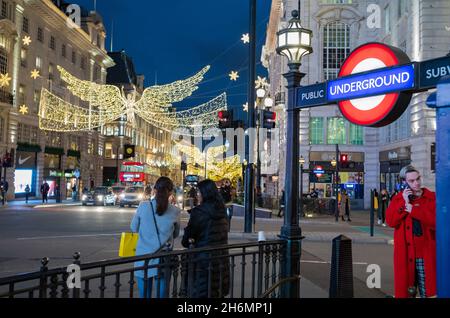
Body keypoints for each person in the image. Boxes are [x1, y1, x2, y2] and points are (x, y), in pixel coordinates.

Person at [386, 165, 436, 298]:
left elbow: (436, 222)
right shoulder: (398, 200)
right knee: (407, 292)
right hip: (406, 254)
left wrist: (414, 210)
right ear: (405, 182)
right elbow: (390, 221)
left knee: (429, 292)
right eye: (412, 181)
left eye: (418, 179)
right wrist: (404, 203)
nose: (417, 183)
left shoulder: (431, 198)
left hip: (425, 255)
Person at [130, 177, 181, 298]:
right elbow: (176, 233)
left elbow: (134, 228)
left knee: (144, 295)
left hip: (143, 259)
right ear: (171, 192)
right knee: (162, 294)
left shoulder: (143, 206)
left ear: (154, 190)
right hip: (163, 260)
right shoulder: (175, 211)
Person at [182, 179, 230, 298]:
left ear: (205, 193)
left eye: (199, 192)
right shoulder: (222, 210)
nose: (197, 195)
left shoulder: (199, 212)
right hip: (221, 261)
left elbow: (186, 240)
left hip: (202, 264)